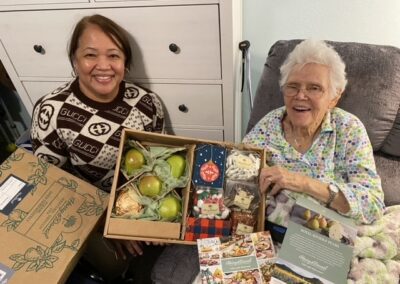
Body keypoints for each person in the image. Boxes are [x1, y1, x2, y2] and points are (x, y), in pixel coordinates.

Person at [30, 14, 165, 283]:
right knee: (115, 264)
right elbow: (53, 185)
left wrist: (144, 211)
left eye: (113, 56)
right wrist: (107, 225)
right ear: (75, 60)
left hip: (138, 196)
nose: (103, 66)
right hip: (86, 208)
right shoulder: (52, 110)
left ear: (125, 63)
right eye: (90, 55)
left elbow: (159, 159)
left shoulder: (145, 102)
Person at [243, 39, 385, 225]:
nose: (300, 96)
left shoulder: (348, 129)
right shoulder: (269, 125)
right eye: (293, 86)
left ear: (334, 97)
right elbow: (239, 174)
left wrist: (302, 183)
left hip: (331, 236)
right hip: (275, 230)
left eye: (314, 88)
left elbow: (373, 204)